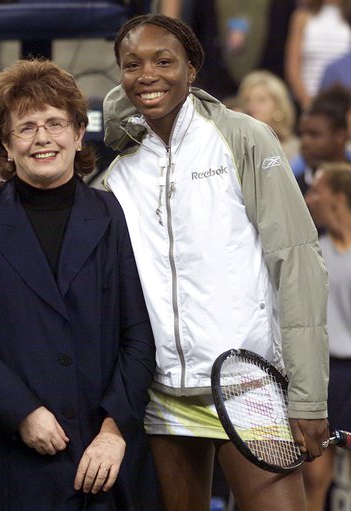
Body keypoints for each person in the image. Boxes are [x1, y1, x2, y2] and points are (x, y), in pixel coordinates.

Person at [102, 13, 329, 511]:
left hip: (247, 382)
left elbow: (298, 263)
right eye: (132, 64)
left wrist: (308, 396)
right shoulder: (119, 172)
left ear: (192, 69)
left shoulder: (244, 137)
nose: (147, 75)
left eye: (164, 60)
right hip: (162, 394)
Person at [0, 58, 156, 511]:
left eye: (56, 123)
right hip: (13, 464)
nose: (43, 138)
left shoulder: (111, 214)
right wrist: (21, 411)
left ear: (79, 134)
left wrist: (114, 432)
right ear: (5, 143)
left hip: (104, 462)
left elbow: (137, 336)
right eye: (26, 127)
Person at [302, 162, 351, 511]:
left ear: (336, 198)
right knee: (314, 477)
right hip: (325, 373)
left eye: (315, 190)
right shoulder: (313, 250)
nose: (308, 198)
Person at [285, 0, 351, 111]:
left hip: (344, 103)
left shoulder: (348, 18)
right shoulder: (301, 17)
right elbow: (293, 68)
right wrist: (308, 103)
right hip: (308, 99)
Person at [237, 69, 300, 161]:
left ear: (279, 106)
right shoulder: (237, 147)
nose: (251, 106)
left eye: (261, 100)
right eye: (247, 100)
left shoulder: (296, 151)